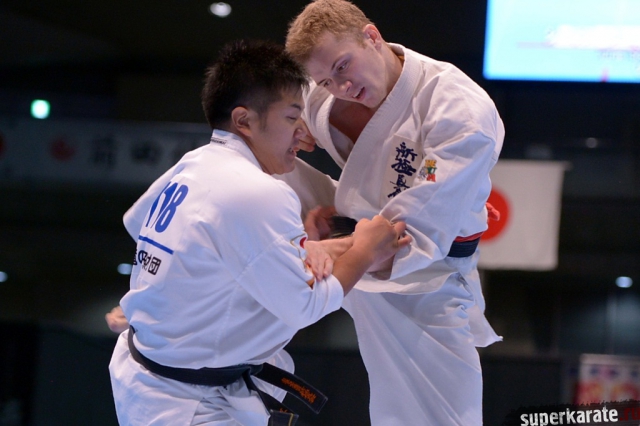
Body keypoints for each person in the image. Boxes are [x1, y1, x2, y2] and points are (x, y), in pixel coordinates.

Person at [108, 39, 410, 426]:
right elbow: (305, 305)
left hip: (154, 378)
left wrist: (159, 304)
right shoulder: (256, 191)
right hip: (188, 403)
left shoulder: (194, 163)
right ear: (245, 121)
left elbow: (140, 226)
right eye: (291, 118)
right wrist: (364, 252)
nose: (301, 134)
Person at [282, 1, 506, 424]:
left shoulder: (457, 110)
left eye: (343, 67)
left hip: (426, 275)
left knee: (441, 416)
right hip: (358, 237)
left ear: (372, 36)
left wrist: (324, 247)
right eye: (326, 80)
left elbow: (417, 230)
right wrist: (289, 131)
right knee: (250, 164)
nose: (341, 87)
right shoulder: (319, 96)